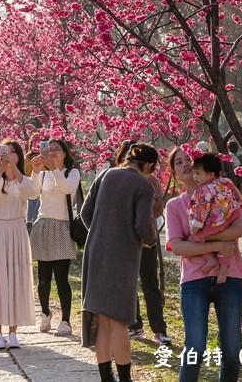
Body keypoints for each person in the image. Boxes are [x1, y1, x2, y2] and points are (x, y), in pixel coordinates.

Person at [166, 146, 242, 382]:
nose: (185, 164)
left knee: (232, 351)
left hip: (230, 276)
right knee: (195, 348)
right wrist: (217, 246)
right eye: (178, 162)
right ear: (174, 173)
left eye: (188, 159)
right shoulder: (175, 206)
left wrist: (204, 239)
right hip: (194, 281)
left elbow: (240, 228)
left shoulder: (222, 191)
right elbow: (178, 247)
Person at [80, 143, 160, 382]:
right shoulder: (143, 186)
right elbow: (143, 226)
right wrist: (150, 241)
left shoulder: (106, 174)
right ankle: (125, 378)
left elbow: (85, 214)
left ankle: (106, 377)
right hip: (122, 256)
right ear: (148, 166)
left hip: (95, 251)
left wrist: (100, 232)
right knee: (119, 321)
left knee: (102, 319)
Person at [0, 140, 38, 349]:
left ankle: (13, 332)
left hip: (17, 231)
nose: (9, 155)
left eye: (13, 153)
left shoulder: (24, 180)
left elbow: (31, 193)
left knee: (16, 279)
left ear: (19, 156)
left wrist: (14, 168)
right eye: (5, 152)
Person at [116, 140, 171, 346]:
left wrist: (144, 216)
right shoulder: (116, 179)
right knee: (129, 284)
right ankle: (134, 325)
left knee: (150, 283)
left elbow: (158, 206)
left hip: (146, 238)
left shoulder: (150, 181)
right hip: (125, 239)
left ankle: (159, 328)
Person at [29, 138, 81, 335]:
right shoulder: (42, 175)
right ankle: (45, 313)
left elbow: (68, 188)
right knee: (43, 279)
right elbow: (33, 194)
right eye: (48, 150)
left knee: (61, 278)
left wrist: (53, 169)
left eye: (57, 150)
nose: (52, 153)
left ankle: (66, 321)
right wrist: (35, 171)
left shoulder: (72, 173)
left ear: (65, 153)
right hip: (43, 225)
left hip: (63, 228)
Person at [188, 153, 242, 283]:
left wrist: (197, 225)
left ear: (211, 174)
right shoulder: (227, 182)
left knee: (197, 238)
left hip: (214, 222)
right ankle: (223, 269)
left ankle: (210, 259)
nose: (195, 177)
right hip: (229, 217)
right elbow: (238, 195)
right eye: (194, 173)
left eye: (198, 173)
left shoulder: (204, 190)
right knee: (229, 242)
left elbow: (202, 209)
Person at [24, 133, 41, 228]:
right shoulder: (28, 157)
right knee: (30, 220)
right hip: (32, 188)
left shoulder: (47, 157)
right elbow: (26, 173)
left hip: (45, 189)